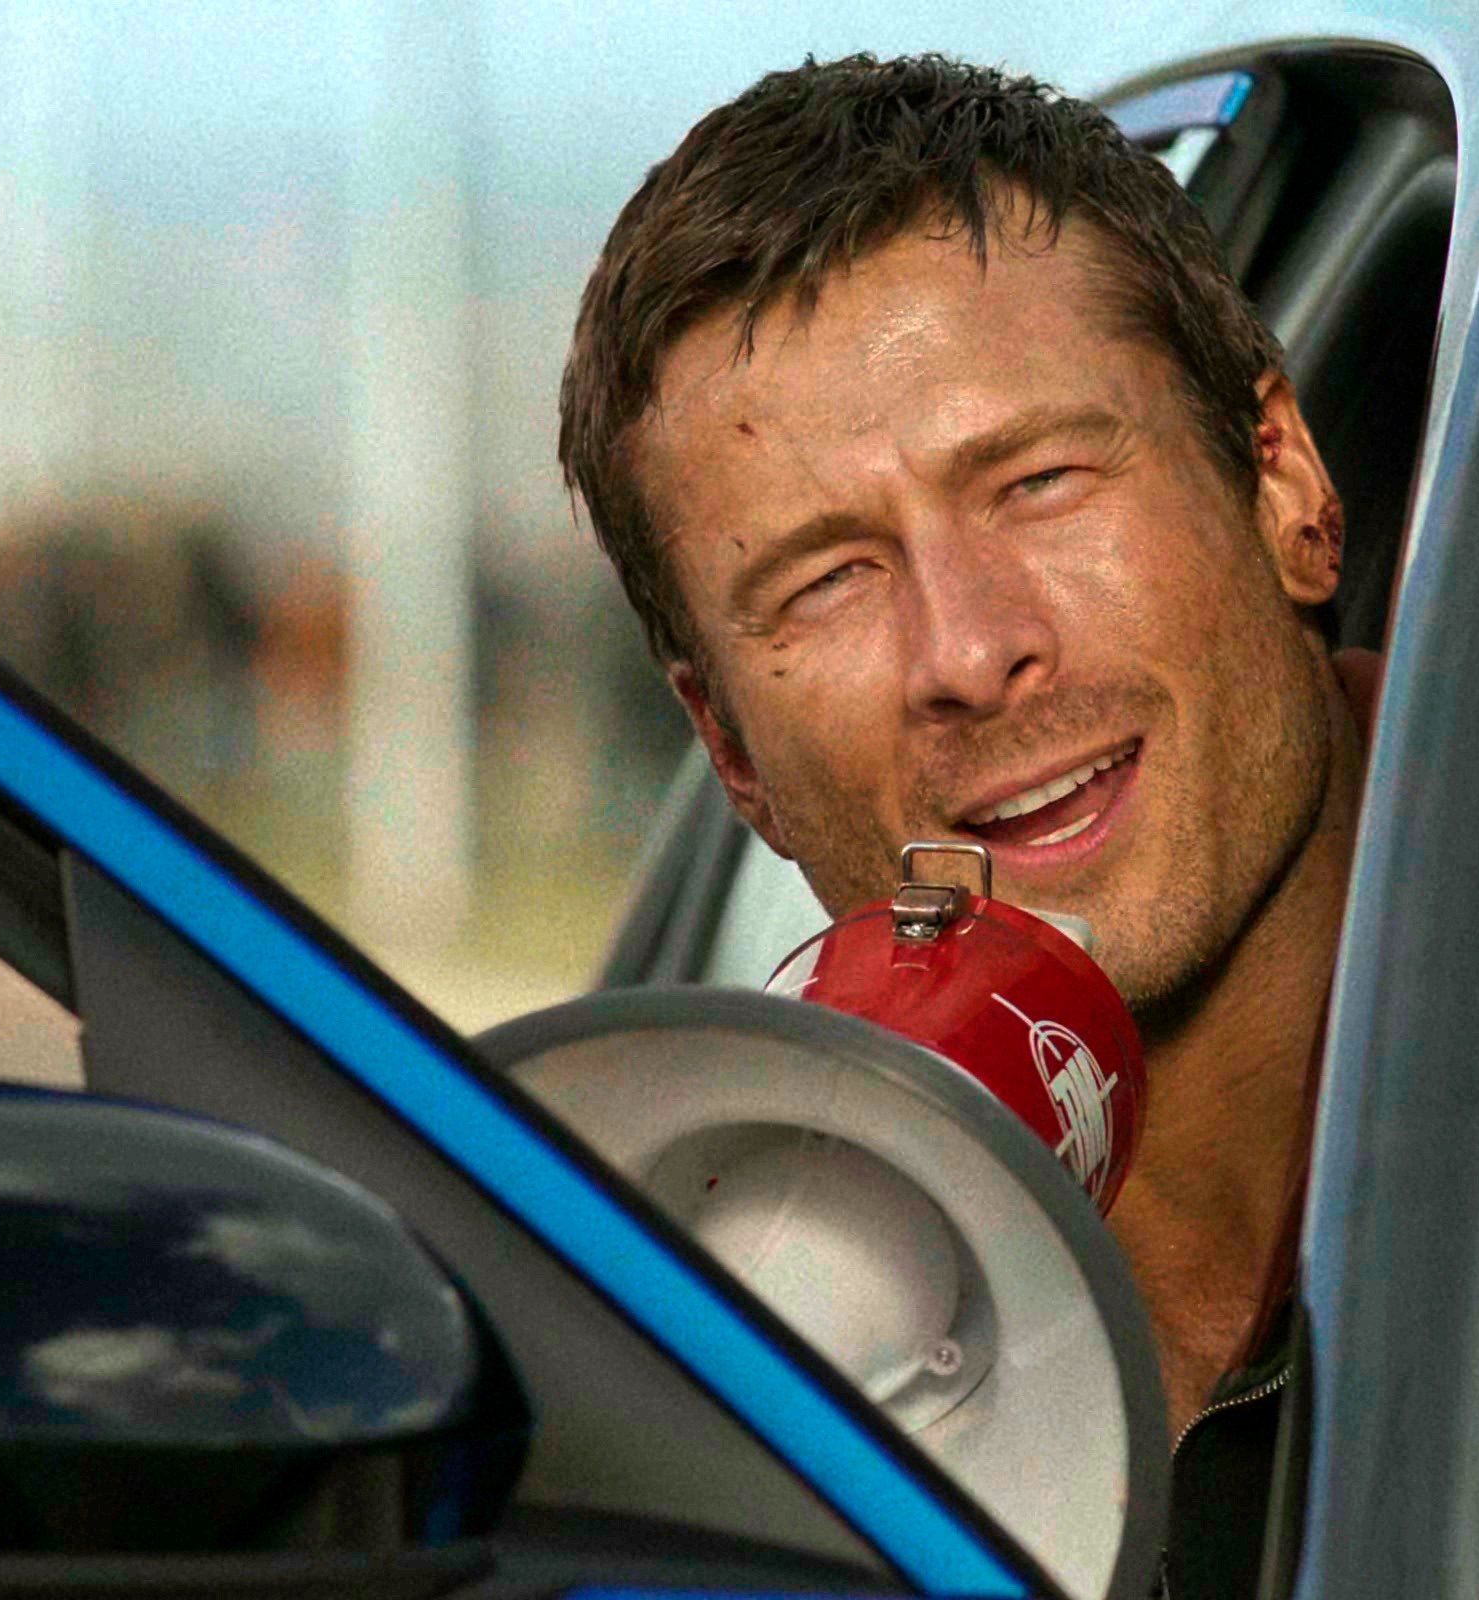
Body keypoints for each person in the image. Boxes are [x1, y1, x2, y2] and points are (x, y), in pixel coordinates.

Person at [555, 52, 1371, 1593]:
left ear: (1285, 490)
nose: (971, 651)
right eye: (827, 580)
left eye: (1042, 481)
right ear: (728, 749)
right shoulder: (729, 1383)